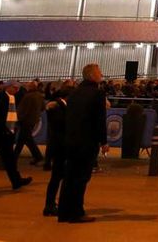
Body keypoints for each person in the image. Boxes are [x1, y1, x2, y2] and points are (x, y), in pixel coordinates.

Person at [58, 63, 108, 223]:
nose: (101, 74)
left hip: (72, 140)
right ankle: (76, 212)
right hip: (87, 142)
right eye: (99, 72)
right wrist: (104, 141)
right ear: (93, 75)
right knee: (81, 178)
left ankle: (64, 212)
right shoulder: (98, 94)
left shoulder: (74, 93)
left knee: (69, 177)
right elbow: (99, 120)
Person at [42, 84, 71, 216]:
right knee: (57, 177)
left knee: (58, 177)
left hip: (59, 145)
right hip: (60, 146)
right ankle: (50, 205)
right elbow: (61, 124)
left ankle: (52, 204)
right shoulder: (57, 107)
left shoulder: (57, 105)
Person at [14, 82, 45, 165]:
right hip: (33, 120)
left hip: (25, 120)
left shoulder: (27, 96)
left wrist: (18, 118)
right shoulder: (39, 96)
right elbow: (43, 108)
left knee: (24, 140)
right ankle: (37, 157)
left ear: (30, 87)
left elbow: (22, 109)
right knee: (26, 140)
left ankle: (14, 158)